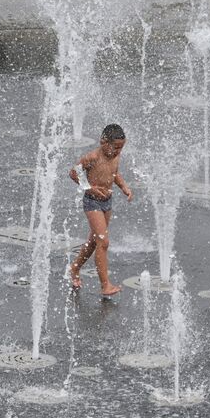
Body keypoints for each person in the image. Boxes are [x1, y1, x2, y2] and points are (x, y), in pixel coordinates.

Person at [67, 123, 134, 297]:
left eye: (121, 148)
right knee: (103, 242)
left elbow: (115, 173)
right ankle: (105, 285)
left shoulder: (115, 156)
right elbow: (74, 173)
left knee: (94, 242)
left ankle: (74, 268)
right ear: (104, 142)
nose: (118, 151)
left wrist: (124, 187)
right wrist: (89, 188)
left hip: (107, 202)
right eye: (116, 147)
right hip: (92, 202)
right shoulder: (93, 157)